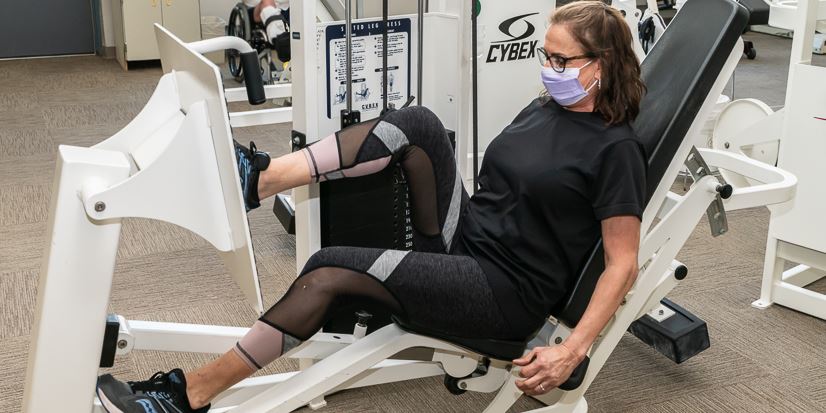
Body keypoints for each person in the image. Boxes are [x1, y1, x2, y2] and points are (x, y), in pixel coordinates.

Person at [96, 2, 647, 412]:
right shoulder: (544, 106)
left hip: (503, 292)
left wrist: (572, 350)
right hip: (471, 238)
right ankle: (260, 180)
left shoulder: (615, 150)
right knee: (421, 124)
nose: (546, 67)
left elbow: (622, 264)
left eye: (559, 58)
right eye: (543, 54)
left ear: (599, 65)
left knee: (330, 270)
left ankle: (189, 396)